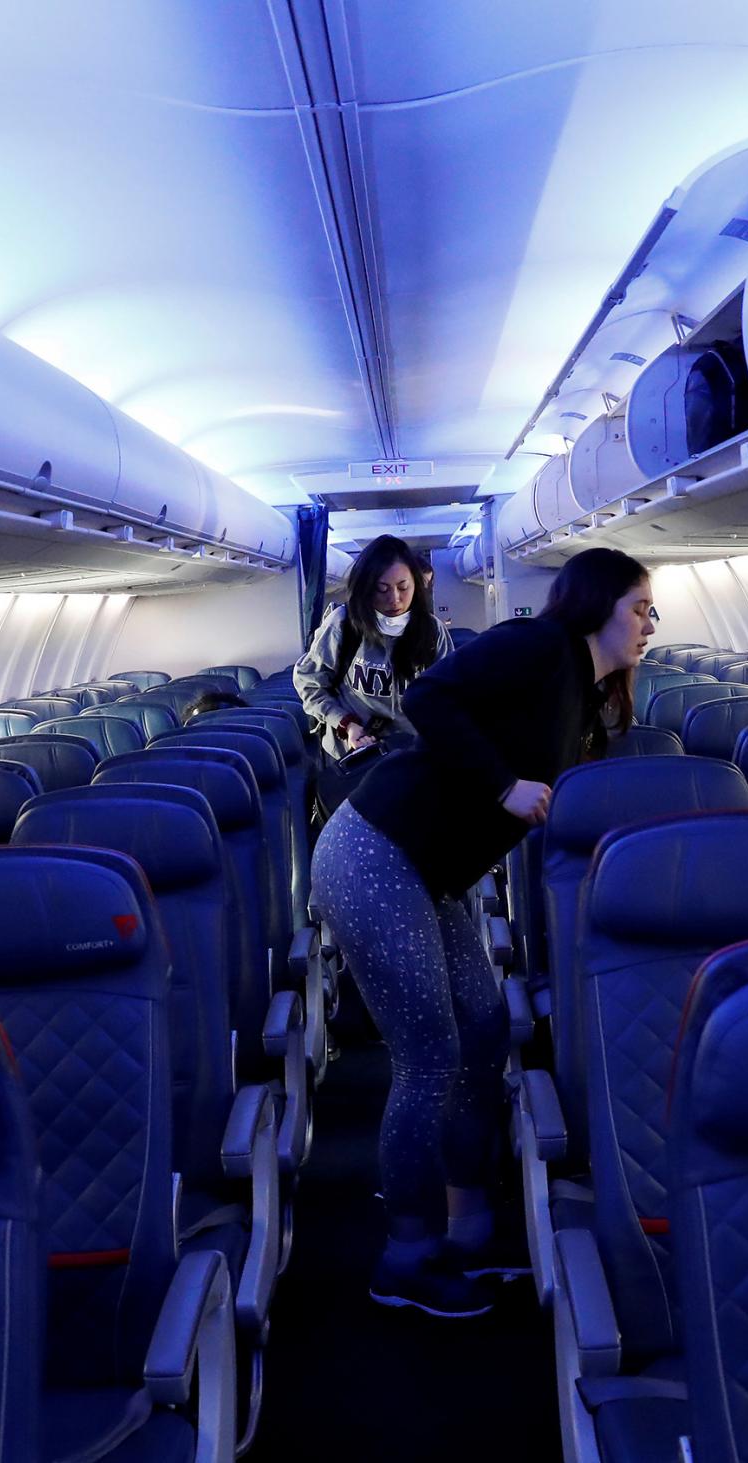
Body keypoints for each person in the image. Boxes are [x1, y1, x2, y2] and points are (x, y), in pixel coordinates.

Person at [309, 547, 656, 1317]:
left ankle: (468, 1233)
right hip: (374, 851)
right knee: (429, 1053)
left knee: (485, 1028)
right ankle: (405, 1255)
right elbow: (431, 697)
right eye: (639, 607)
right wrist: (503, 784)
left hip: (430, 868)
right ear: (599, 603)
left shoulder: (586, 695)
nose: (648, 624)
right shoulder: (541, 646)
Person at [294, 535, 446, 807]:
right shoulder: (343, 624)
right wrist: (346, 723)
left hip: (413, 758)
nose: (395, 599)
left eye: (403, 587)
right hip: (355, 759)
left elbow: (450, 695)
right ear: (366, 589)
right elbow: (308, 683)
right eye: (382, 589)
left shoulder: (432, 631)